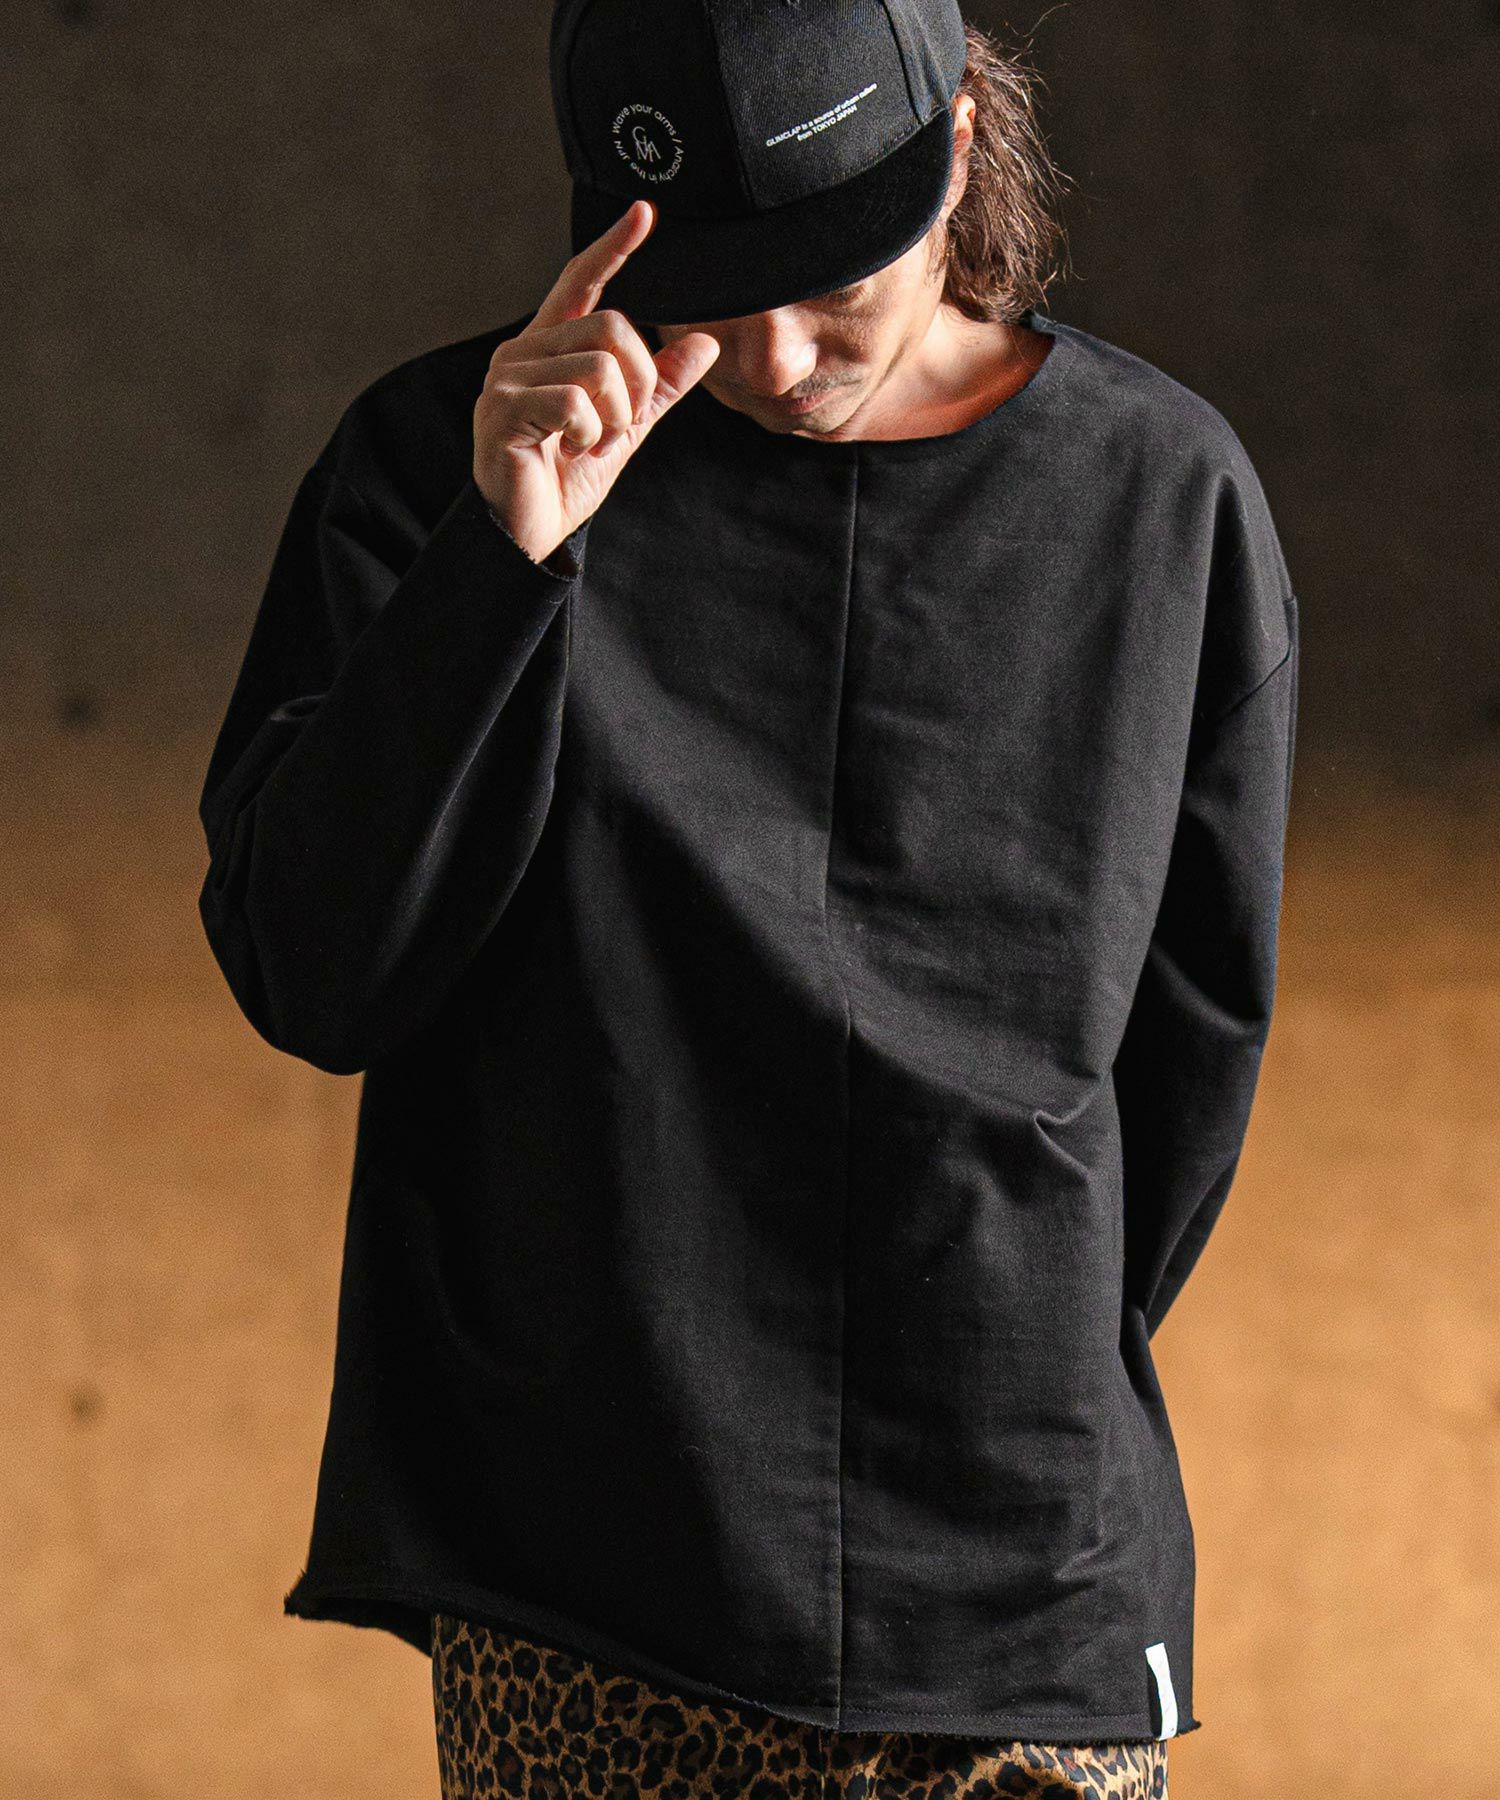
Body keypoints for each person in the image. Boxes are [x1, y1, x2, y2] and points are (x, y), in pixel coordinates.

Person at [197, 4, 1297, 1796]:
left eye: (832, 287)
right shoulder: (445, 461)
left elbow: (1193, 1051)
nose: (777, 360)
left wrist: (1018, 1330)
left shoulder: (1162, 496)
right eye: (708, 297)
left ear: (957, 146)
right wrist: (502, 561)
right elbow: (317, 973)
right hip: (590, 1576)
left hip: (1019, 1580)